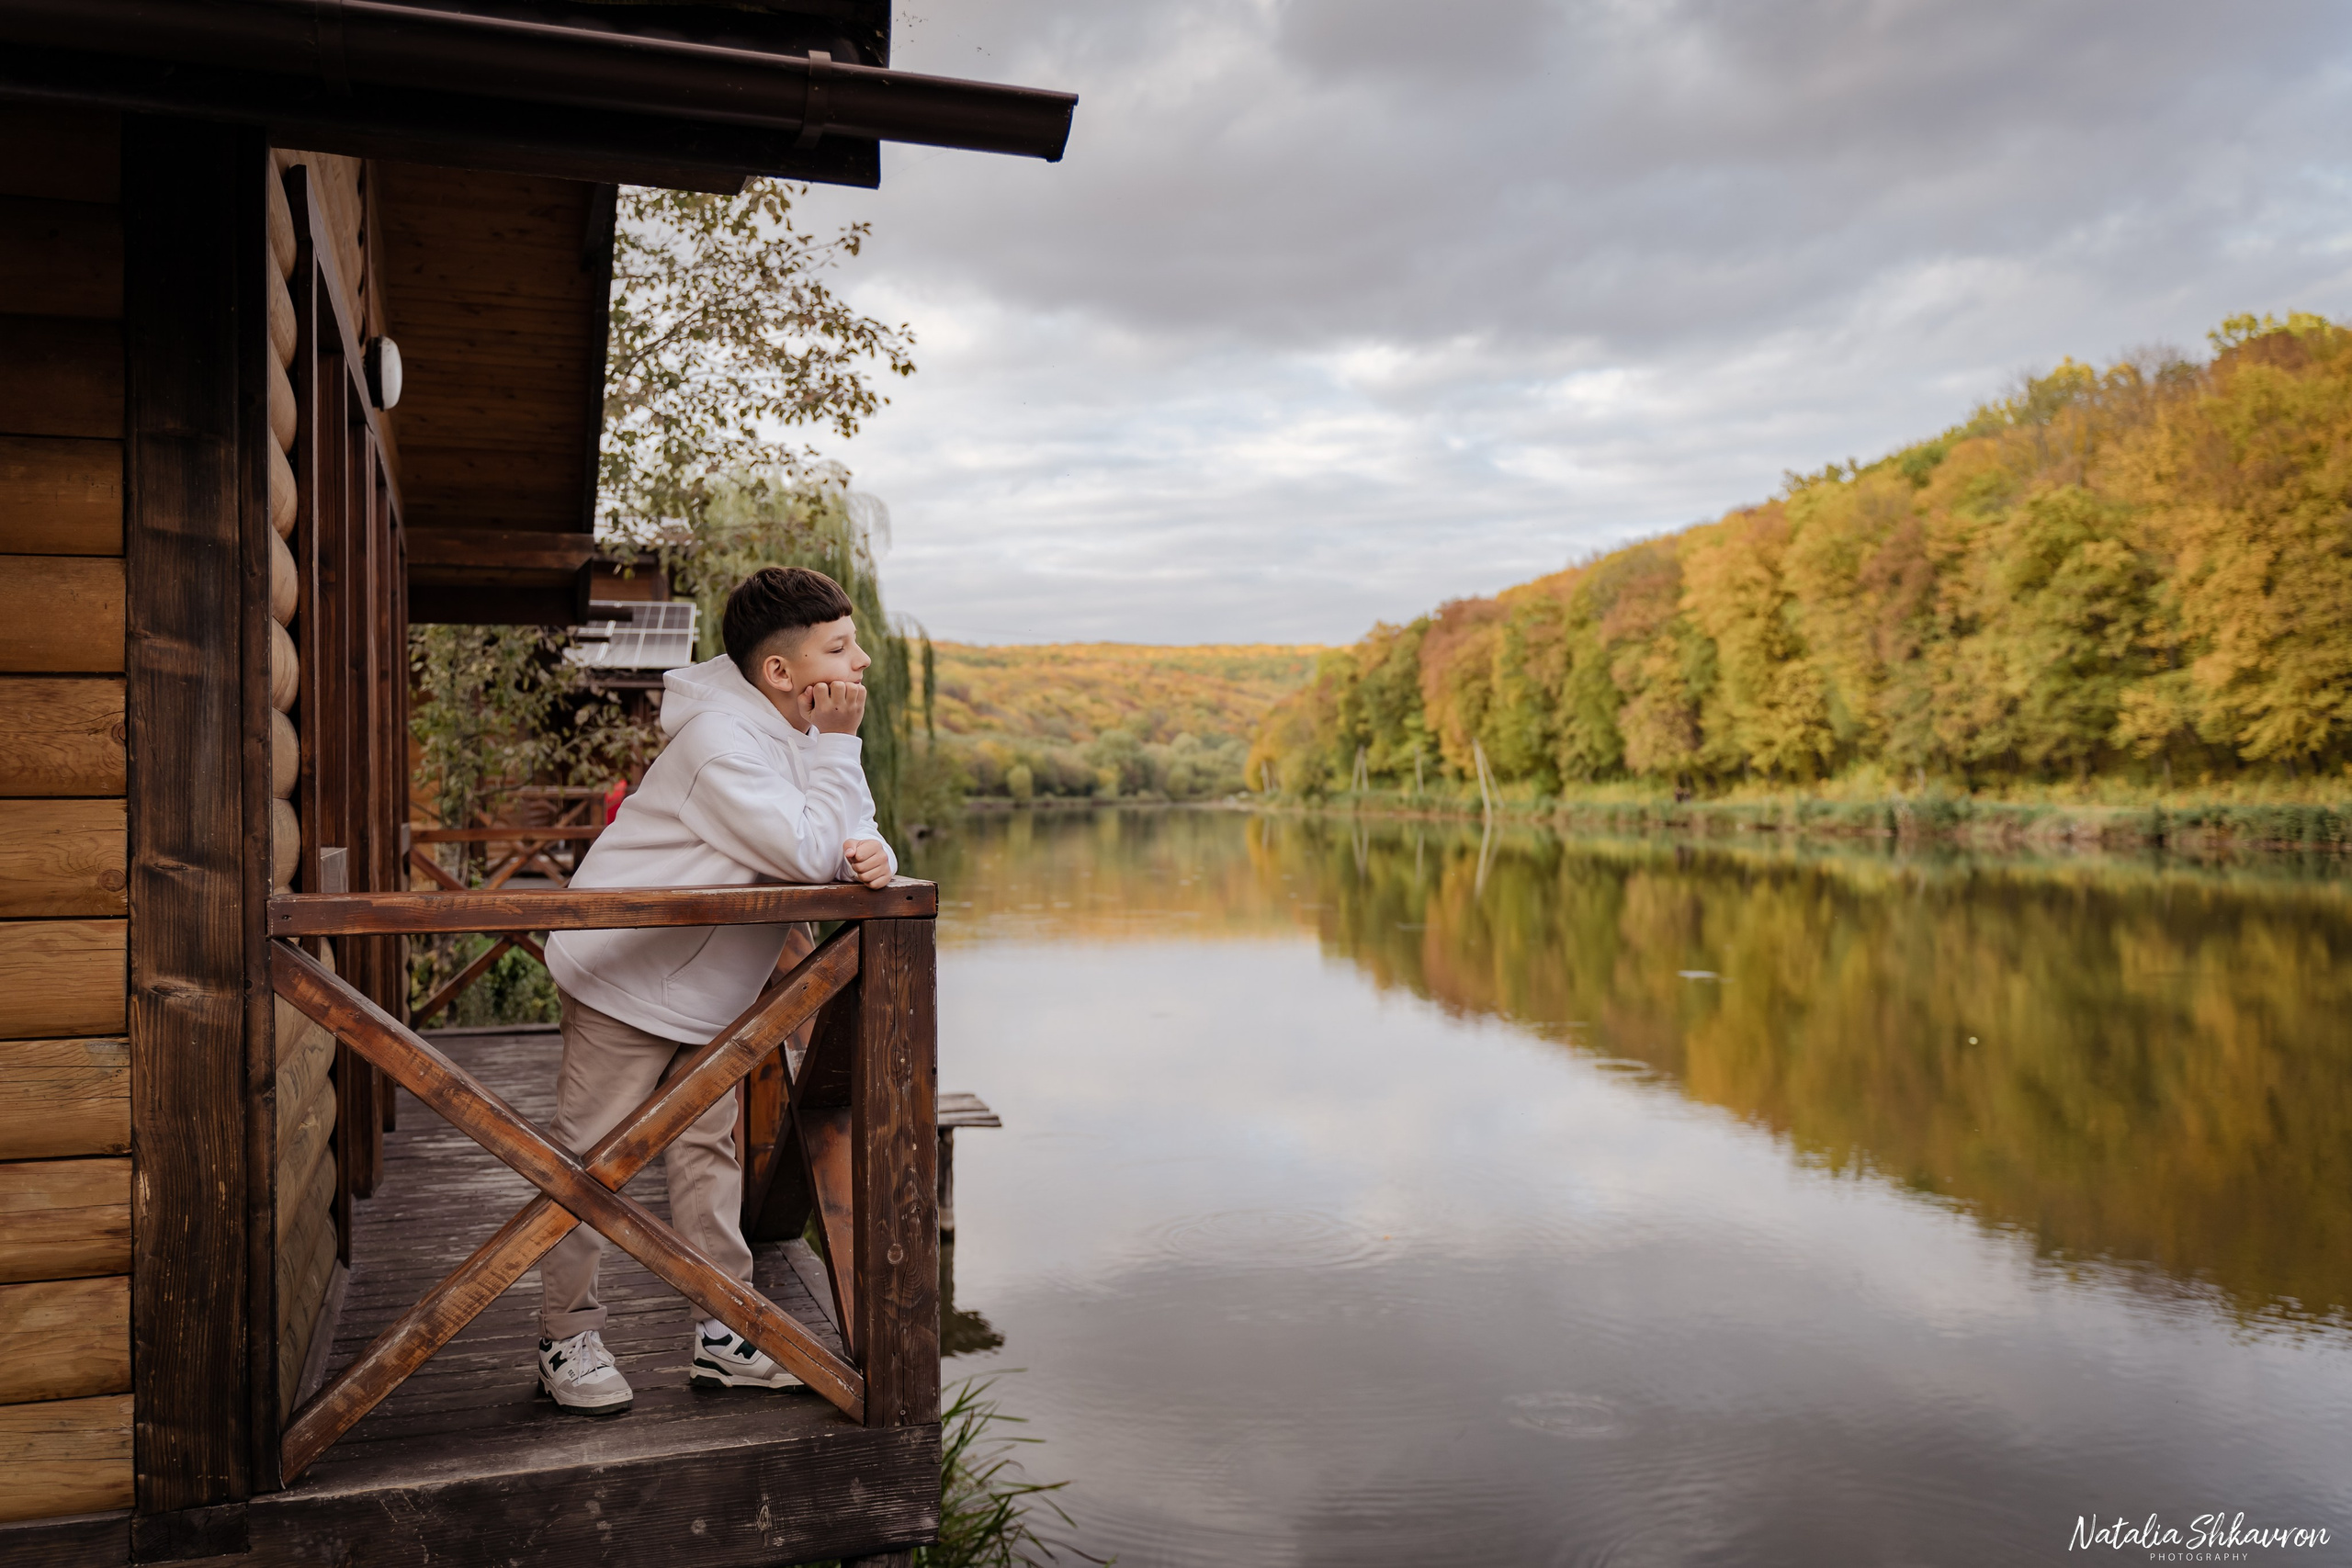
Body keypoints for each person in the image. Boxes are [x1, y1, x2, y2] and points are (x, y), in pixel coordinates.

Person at [531, 565, 897, 1415]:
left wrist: (869, 846)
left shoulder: (802, 730)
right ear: (782, 673)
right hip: (625, 978)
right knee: (588, 1165)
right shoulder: (718, 743)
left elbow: (841, 825)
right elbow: (805, 851)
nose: (864, 660)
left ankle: (726, 1333)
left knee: (709, 1154)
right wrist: (840, 774)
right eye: (840, 647)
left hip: (711, 988)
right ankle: (565, 1336)